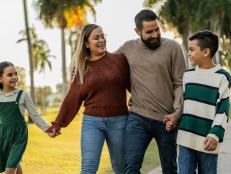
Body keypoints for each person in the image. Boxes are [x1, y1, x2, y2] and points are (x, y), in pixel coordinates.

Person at [48, 24, 130, 174]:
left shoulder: (119, 60)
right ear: (86, 43)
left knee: (122, 168)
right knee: (88, 168)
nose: (101, 40)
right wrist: (58, 124)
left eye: (103, 36)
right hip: (92, 123)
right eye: (96, 37)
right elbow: (72, 97)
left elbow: (133, 86)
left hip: (119, 121)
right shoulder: (81, 67)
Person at [118, 9, 186, 174]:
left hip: (167, 119)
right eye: (149, 32)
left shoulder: (173, 47)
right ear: (137, 31)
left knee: (169, 169)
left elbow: (180, 83)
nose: (155, 34)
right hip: (137, 117)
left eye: (157, 29)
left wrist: (177, 113)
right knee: (131, 167)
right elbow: (107, 66)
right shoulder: (127, 48)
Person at [176, 30, 230, 174]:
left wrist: (214, 134)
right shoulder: (188, 75)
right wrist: (175, 116)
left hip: (208, 141)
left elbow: (223, 109)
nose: (188, 53)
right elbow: (184, 104)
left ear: (206, 52)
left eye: (192, 50)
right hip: (186, 139)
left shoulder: (222, 77)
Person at [0, 61, 54, 174]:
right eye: (10, 75)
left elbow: (34, 115)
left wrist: (47, 128)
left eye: (15, 74)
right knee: (14, 164)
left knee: (9, 170)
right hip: (3, 136)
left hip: (19, 136)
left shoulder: (22, 95)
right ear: (1, 79)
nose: (14, 77)